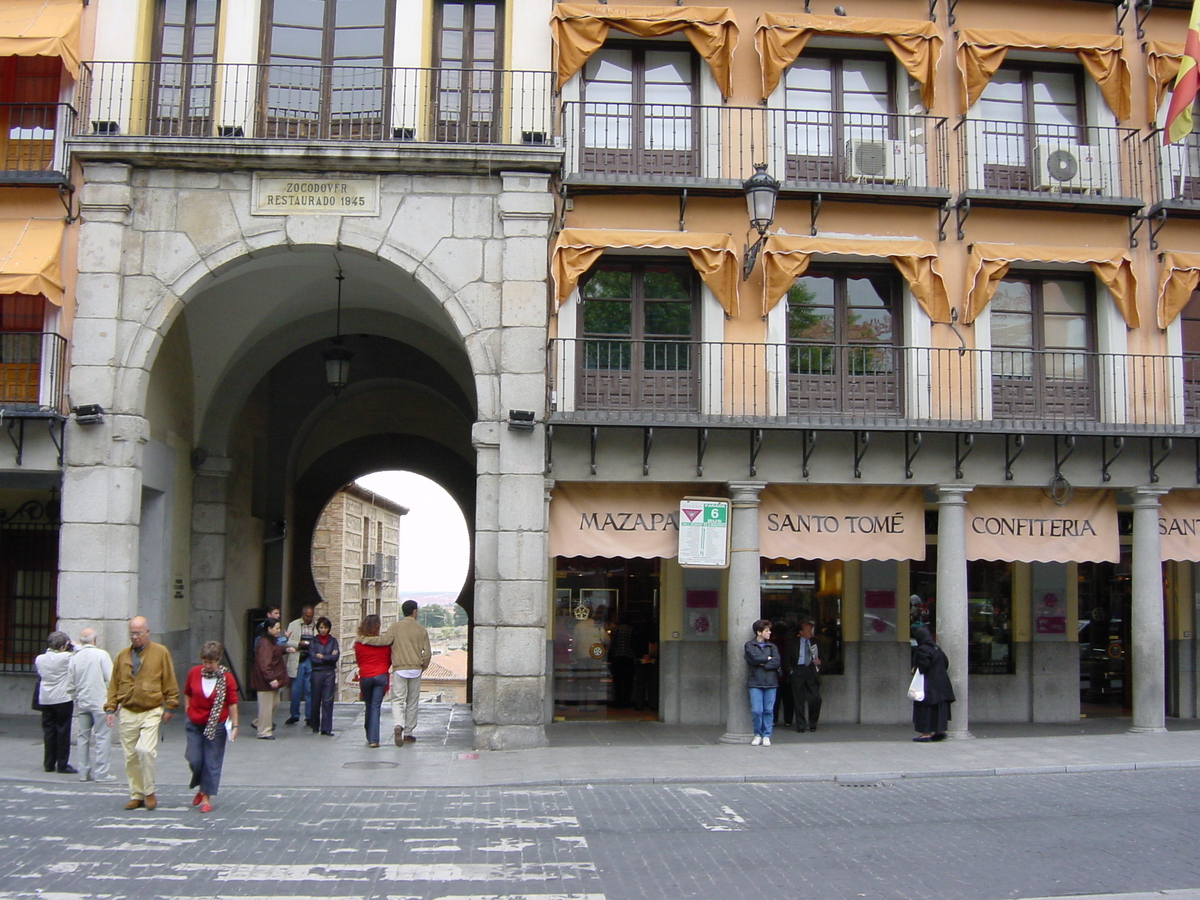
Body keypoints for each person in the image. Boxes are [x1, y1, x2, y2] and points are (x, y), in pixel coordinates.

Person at [105, 617, 179, 810]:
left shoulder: (160, 652)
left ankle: (149, 791)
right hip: (128, 709)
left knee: (145, 750)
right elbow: (113, 684)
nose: (135, 637)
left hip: (151, 709)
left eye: (138, 633)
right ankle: (136, 794)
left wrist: (170, 706)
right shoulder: (122, 656)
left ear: (147, 632)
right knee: (130, 756)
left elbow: (169, 679)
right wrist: (111, 708)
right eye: (132, 633)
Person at [358, 599, 431, 746]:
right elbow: (427, 653)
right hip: (415, 668)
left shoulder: (395, 627)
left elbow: (383, 641)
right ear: (415, 611)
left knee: (398, 700)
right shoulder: (421, 629)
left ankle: (398, 724)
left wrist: (365, 640)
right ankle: (409, 733)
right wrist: (423, 665)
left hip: (399, 669)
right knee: (412, 701)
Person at [183, 641, 238, 813]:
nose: (207, 666)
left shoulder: (226, 678)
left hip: (216, 725)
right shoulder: (194, 673)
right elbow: (187, 693)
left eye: (211, 662)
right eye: (205, 661)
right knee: (194, 758)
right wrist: (187, 710)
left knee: (211, 762)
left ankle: (206, 796)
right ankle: (200, 785)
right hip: (195, 722)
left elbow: (232, 703)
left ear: (218, 661)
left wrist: (235, 725)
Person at [67, 627, 115, 782]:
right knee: (102, 737)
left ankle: (83, 772)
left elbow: (70, 684)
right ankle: (102, 772)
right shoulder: (102, 655)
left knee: (83, 737)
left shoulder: (75, 658)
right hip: (100, 702)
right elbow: (112, 679)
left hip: (83, 702)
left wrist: (76, 698)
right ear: (95, 640)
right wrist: (113, 700)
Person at [35, 631, 76, 774]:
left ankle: (48, 763)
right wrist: (74, 645)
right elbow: (81, 654)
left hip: (45, 698)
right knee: (63, 731)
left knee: (49, 731)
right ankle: (62, 764)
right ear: (64, 646)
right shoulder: (66, 658)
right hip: (63, 698)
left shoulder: (40, 659)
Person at [911, 626, 955, 743]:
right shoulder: (936, 648)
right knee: (940, 709)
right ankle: (939, 731)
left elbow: (924, 665)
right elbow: (946, 663)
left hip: (929, 685)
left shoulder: (923, 649)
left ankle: (926, 734)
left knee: (925, 709)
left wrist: (915, 669)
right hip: (943, 685)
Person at [354, 614, 391, 748]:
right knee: (376, 707)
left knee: (368, 706)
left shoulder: (358, 644)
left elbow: (359, 660)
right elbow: (389, 659)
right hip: (381, 676)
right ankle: (374, 739)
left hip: (365, 676)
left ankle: (369, 734)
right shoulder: (385, 643)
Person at [249, 619, 289, 739]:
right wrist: (271, 678)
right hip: (265, 682)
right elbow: (264, 663)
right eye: (276, 628)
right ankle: (264, 731)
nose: (278, 630)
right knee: (266, 706)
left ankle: (259, 722)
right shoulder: (264, 643)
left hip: (271, 679)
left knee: (275, 703)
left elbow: (275, 651)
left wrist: (285, 649)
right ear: (269, 629)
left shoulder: (271, 641)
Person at [744, 619, 781, 747]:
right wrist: (767, 659)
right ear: (759, 632)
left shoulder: (772, 646)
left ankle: (766, 735)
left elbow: (776, 661)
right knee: (757, 710)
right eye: (767, 630)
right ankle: (757, 734)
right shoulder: (750, 645)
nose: (769, 632)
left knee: (768, 710)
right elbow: (753, 659)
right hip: (755, 682)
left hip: (771, 682)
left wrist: (763, 664)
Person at [284, 605, 316, 727]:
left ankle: (309, 716)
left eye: (311, 616)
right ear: (303, 615)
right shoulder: (293, 625)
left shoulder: (315, 626)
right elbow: (287, 641)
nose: (309, 619)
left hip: (309, 659)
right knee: (296, 690)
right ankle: (294, 714)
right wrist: (299, 643)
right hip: (297, 659)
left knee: (309, 689)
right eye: (307, 616)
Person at [308, 616, 340, 736]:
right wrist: (328, 657)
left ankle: (326, 727)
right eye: (321, 627)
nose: (323, 630)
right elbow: (313, 658)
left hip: (329, 673)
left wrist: (323, 656)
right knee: (315, 699)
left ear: (329, 628)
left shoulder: (333, 641)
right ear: (317, 628)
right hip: (316, 672)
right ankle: (315, 724)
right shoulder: (313, 641)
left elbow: (335, 657)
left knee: (328, 700)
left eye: (325, 627)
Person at [790, 619, 822, 733]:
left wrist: (820, 661)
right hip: (798, 670)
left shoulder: (816, 642)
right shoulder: (793, 642)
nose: (810, 633)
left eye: (811, 630)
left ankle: (813, 722)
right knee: (798, 700)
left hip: (811, 670)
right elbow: (787, 659)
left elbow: (825, 656)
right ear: (801, 632)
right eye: (808, 630)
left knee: (815, 698)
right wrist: (791, 671)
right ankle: (801, 725)